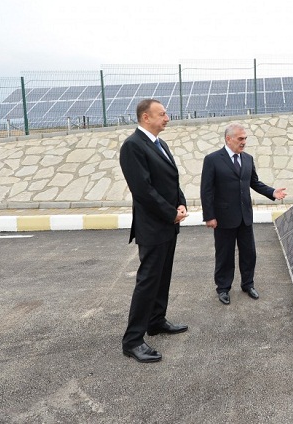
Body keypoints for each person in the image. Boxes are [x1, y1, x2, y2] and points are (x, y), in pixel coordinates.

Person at [119, 99, 189, 363]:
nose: (167, 118)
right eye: (162, 114)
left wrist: (180, 202)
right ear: (145, 117)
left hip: (168, 224)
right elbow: (143, 190)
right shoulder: (133, 146)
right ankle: (133, 341)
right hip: (153, 226)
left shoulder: (161, 144)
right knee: (148, 281)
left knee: (162, 277)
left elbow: (171, 180)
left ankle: (156, 321)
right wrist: (170, 212)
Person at [201, 123, 287, 305]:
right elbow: (206, 190)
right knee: (224, 255)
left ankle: (248, 284)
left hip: (245, 216)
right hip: (224, 218)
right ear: (228, 138)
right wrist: (209, 216)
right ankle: (223, 288)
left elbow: (254, 182)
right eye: (240, 139)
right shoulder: (213, 159)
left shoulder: (247, 159)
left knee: (249, 253)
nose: (244, 142)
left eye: (245, 138)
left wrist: (272, 192)